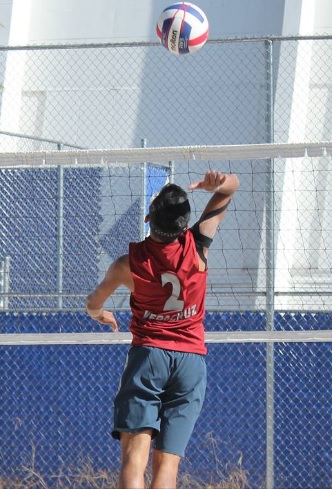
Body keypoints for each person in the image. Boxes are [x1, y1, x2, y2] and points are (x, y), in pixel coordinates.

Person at [86, 170, 239, 489]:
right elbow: (230, 188)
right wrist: (219, 183)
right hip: (190, 363)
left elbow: (93, 303)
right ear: (185, 224)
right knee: (166, 466)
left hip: (148, 358)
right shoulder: (197, 248)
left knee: (133, 458)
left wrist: (100, 313)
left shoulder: (128, 264)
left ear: (147, 217)